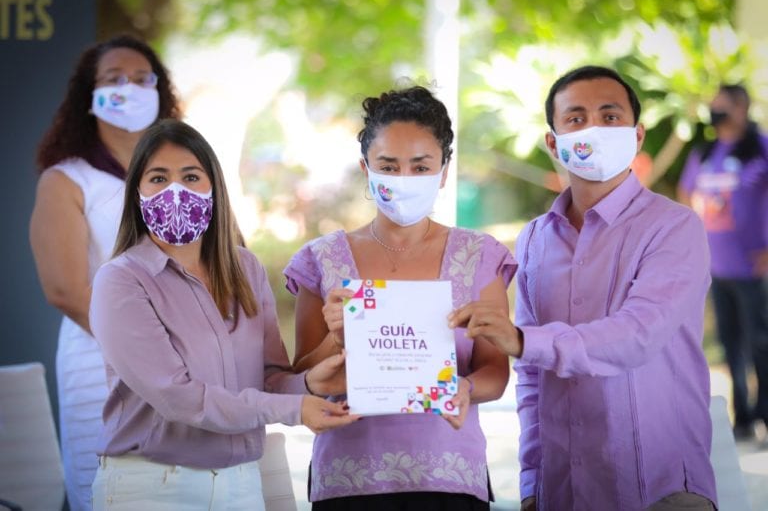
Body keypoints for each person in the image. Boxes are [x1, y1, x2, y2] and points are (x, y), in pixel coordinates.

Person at [450, 66, 717, 511]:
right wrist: (533, 479)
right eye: (575, 118)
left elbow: (637, 335)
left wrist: (520, 340)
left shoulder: (674, 227)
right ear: (553, 143)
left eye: (610, 116)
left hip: (661, 487)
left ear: (636, 135)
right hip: (562, 488)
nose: (593, 127)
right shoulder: (536, 237)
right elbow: (532, 378)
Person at [88, 119, 358, 510]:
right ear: (137, 193)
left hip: (242, 485)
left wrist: (309, 385)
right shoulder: (121, 281)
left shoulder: (245, 269)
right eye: (158, 178)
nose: (175, 191)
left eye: (191, 176)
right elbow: (179, 398)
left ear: (214, 187)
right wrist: (296, 409)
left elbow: (266, 379)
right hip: (153, 486)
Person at [283, 85, 516, 510]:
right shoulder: (322, 260)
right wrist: (336, 340)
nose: (403, 179)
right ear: (365, 168)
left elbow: (494, 373)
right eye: (388, 166)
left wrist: (463, 388)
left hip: (449, 479)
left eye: (420, 166)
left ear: (444, 171)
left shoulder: (479, 257)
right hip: (348, 479)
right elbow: (300, 377)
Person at [29, 34, 181, 510]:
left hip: (189, 366)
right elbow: (66, 289)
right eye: (114, 79)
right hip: (100, 366)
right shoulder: (67, 179)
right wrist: (152, 351)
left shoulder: (187, 171)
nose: (129, 88)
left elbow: (228, 255)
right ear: (88, 97)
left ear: (160, 91)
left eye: (141, 79)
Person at [678, 84, 768, 440]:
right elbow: (686, 193)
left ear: (742, 108)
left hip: (753, 267)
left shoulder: (759, 149)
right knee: (731, 344)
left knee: (761, 342)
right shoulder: (705, 152)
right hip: (716, 267)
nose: (716, 113)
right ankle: (743, 417)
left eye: (723, 107)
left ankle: (765, 413)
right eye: (712, 107)